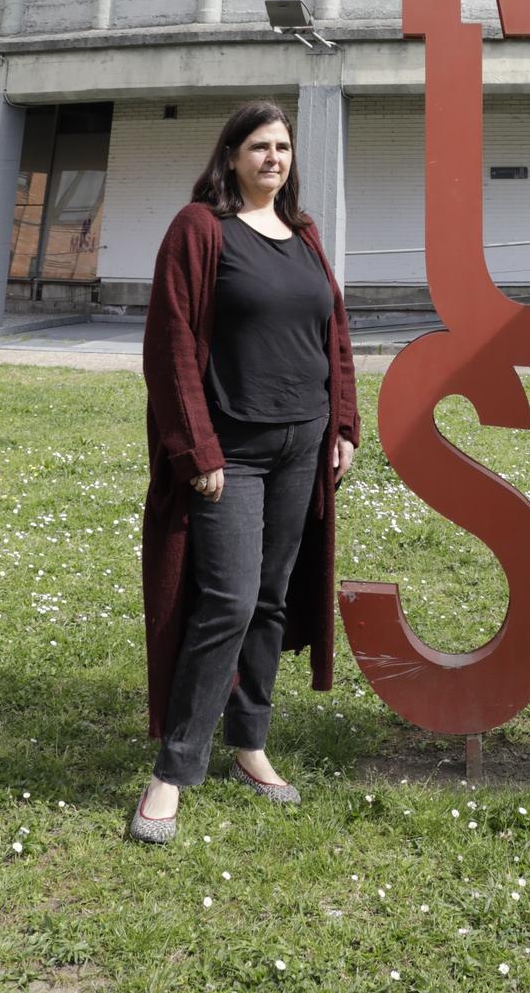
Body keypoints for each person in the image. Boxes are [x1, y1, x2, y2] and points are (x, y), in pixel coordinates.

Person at [129, 101, 360, 844]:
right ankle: (173, 770)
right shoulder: (200, 229)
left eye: (283, 147)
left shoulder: (303, 234)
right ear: (229, 156)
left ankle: (249, 744)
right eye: (258, 146)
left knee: (269, 598)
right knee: (224, 600)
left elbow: (336, 338)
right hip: (231, 452)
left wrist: (345, 425)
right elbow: (168, 347)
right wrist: (195, 451)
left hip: (303, 445)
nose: (273, 158)